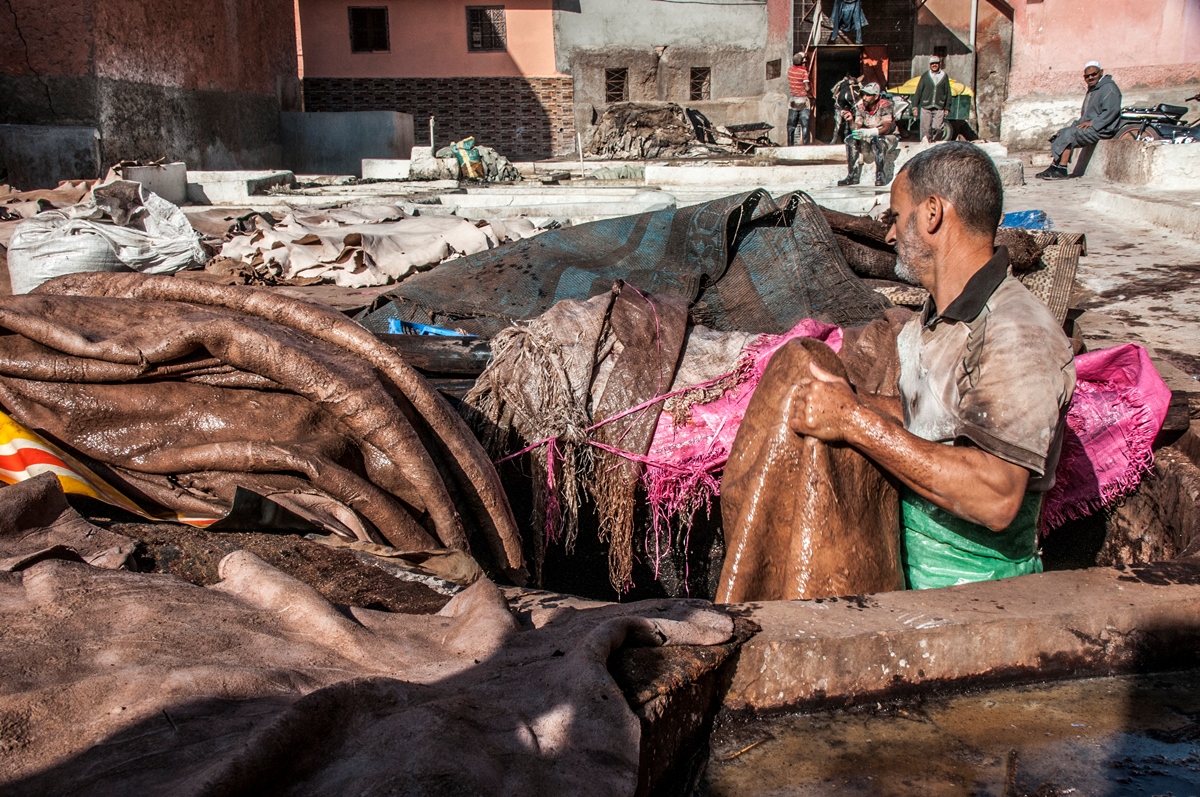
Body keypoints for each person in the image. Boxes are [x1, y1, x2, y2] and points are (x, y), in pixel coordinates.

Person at [794, 142, 1076, 589]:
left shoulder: (1015, 333)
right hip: (913, 576)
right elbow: (934, 422)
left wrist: (853, 421)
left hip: (980, 597)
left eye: (895, 216)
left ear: (931, 214)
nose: (889, 236)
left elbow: (996, 495)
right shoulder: (937, 317)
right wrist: (853, 401)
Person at [1036, 61, 1122, 180]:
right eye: (1087, 76)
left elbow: (1111, 111)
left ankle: (1062, 168)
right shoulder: (1093, 89)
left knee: (1070, 134)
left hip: (1103, 128)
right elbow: (1086, 115)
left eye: (1094, 74)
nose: (1090, 78)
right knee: (1062, 132)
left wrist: (1093, 123)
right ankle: (1054, 166)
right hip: (1091, 126)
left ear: (1101, 73)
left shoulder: (1109, 88)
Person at [838, 82, 897, 187]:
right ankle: (852, 175)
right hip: (868, 135)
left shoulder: (885, 105)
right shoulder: (861, 107)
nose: (864, 97)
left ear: (876, 96)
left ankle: (880, 174)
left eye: (868, 95)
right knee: (850, 139)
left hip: (886, 136)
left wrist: (870, 132)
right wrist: (851, 120)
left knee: (879, 141)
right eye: (863, 94)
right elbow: (857, 127)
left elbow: (886, 128)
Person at [912, 55, 951, 143]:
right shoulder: (925, 76)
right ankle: (926, 145)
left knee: (938, 127)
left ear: (939, 64)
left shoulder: (944, 76)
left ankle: (935, 143)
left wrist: (947, 107)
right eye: (932, 63)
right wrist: (915, 106)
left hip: (939, 106)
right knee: (925, 129)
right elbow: (918, 91)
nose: (934, 65)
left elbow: (948, 92)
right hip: (926, 106)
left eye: (936, 63)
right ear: (930, 65)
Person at [787, 52, 813, 146]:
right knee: (805, 125)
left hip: (793, 100)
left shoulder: (790, 70)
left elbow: (797, 60)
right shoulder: (803, 72)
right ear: (802, 62)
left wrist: (802, 56)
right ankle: (806, 145)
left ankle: (790, 145)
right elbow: (807, 88)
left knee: (791, 126)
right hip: (802, 100)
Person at [829, 73, 861, 145]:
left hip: (848, 107)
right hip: (840, 107)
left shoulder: (855, 88)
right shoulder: (844, 85)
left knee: (846, 124)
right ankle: (834, 139)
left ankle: (846, 139)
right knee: (838, 124)